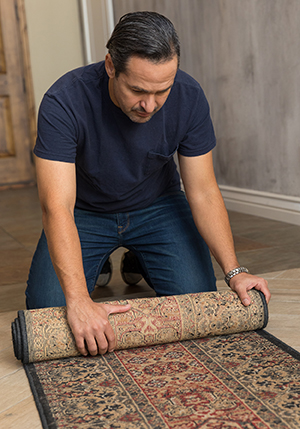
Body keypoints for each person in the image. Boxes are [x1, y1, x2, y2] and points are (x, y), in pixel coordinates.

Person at [26, 11, 270, 357]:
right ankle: (97, 262)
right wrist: (79, 299)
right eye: (137, 90)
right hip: (85, 213)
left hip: (158, 207)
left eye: (162, 91)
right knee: (49, 312)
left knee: (199, 299)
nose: (149, 105)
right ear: (111, 66)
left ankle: (140, 255)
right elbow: (57, 205)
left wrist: (235, 272)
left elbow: (202, 191)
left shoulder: (189, 96)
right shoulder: (63, 101)